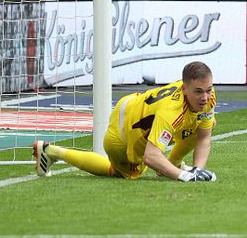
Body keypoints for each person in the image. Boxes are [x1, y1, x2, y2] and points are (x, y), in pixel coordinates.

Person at [34, 61, 217, 181]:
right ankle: (51, 151)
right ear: (185, 89)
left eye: (208, 90)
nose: (205, 97)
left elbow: (203, 136)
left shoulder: (208, 97)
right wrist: (184, 176)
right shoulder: (170, 111)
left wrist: (197, 171)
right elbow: (151, 156)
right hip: (124, 131)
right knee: (125, 173)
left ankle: (172, 164)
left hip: (135, 106)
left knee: (204, 122)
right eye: (199, 91)